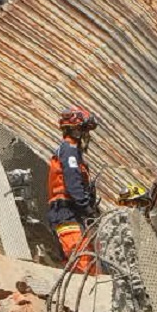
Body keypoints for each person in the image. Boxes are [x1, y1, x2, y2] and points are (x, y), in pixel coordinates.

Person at [47, 105, 99, 274]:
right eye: (85, 130)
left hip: (71, 213)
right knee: (83, 265)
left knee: (86, 262)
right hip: (66, 212)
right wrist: (86, 207)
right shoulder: (69, 151)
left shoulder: (72, 152)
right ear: (76, 130)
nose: (87, 135)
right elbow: (72, 181)